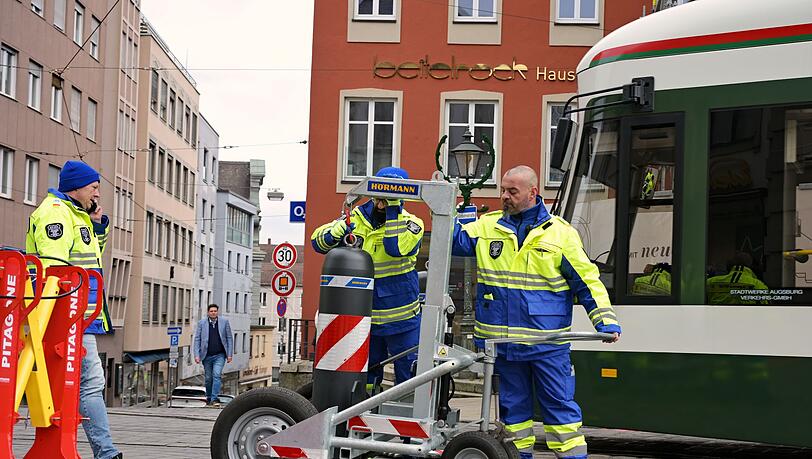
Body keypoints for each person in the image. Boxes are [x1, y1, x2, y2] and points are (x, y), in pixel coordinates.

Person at [452, 165, 620, 459]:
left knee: (561, 415)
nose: (504, 196)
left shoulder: (560, 234)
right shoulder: (488, 226)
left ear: (533, 192)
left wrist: (604, 320)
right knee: (514, 418)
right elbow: (453, 242)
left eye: (512, 191)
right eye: (503, 190)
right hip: (504, 346)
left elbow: (587, 282)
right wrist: (453, 211)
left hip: (547, 345)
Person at [25, 160, 121, 459]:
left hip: (78, 315)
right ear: (77, 187)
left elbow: (91, 255)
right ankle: (105, 453)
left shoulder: (75, 214)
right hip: (67, 314)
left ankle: (91, 450)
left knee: (78, 384)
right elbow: (55, 270)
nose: (97, 193)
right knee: (90, 383)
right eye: (93, 187)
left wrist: (97, 226)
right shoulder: (56, 215)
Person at [311, 167, 424, 387]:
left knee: (410, 374)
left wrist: (393, 210)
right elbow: (318, 243)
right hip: (362, 317)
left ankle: (406, 416)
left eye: (391, 197)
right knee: (364, 375)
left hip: (402, 318)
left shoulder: (412, 223)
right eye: (381, 196)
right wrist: (340, 230)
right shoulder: (354, 218)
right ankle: (363, 411)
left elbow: (395, 248)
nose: (383, 202)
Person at [193, 304, 233, 405]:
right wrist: (196, 355)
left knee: (216, 374)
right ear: (208, 312)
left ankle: (214, 398)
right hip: (206, 355)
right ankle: (209, 397)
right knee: (208, 378)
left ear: (217, 312)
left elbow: (229, 338)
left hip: (219, 355)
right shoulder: (202, 323)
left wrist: (229, 354)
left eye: (215, 311)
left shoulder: (224, 322)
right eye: (211, 311)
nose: (213, 313)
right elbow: (197, 339)